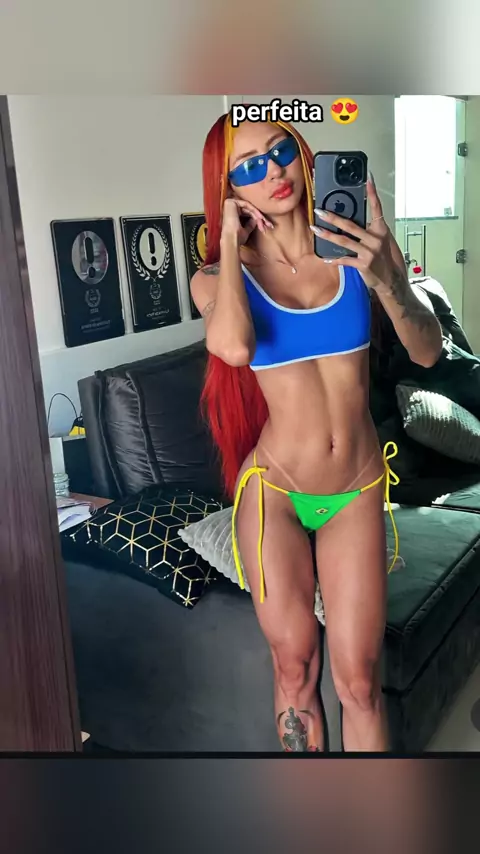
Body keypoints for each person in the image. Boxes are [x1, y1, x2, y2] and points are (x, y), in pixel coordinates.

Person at [191, 111, 443, 752]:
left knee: (359, 683)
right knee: (294, 668)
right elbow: (234, 348)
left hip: (356, 487)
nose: (272, 172)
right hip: (274, 490)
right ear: (228, 189)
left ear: (304, 153)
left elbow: (427, 351)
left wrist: (388, 276)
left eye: (280, 151)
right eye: (247, 167)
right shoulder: (217, 280)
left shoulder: (359, 252)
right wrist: (228, 243)